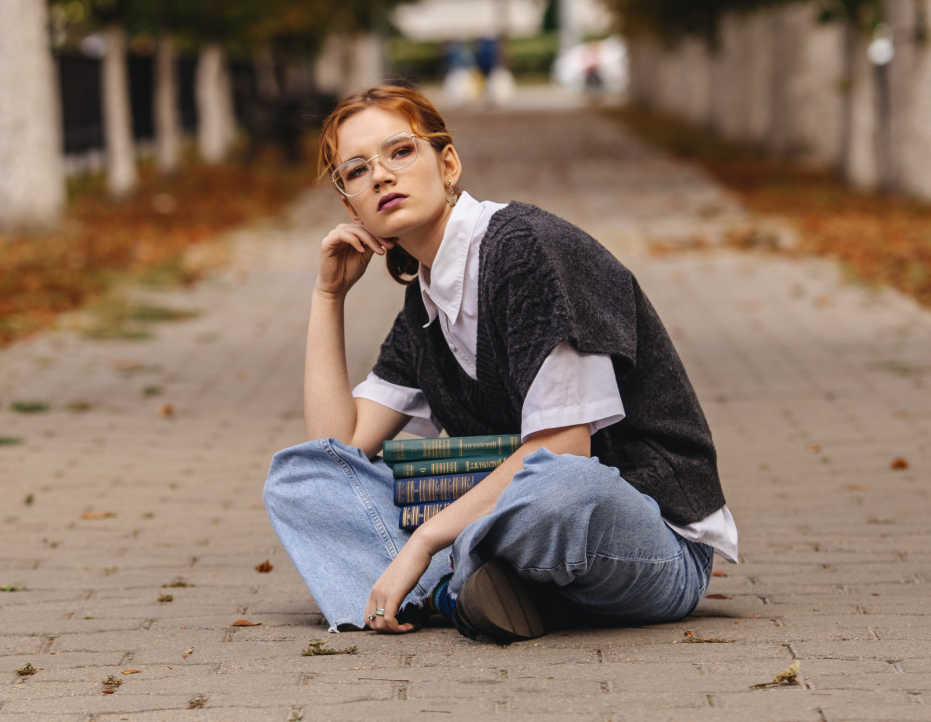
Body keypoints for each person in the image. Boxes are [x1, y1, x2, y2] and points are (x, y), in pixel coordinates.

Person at [263, 85, 736, 643]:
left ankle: (444, 585)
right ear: (351, 205)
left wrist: (424, 539)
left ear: (448, 162)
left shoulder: (525, 249)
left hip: (647, 539)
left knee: (558, 489)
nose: (382, 176)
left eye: (400, 151)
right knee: (298, 478)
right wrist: (328, 299)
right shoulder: (425, 303)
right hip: (528, 536)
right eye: (358, 170)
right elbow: (335, 451)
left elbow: (566, 446)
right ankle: (473, 590)